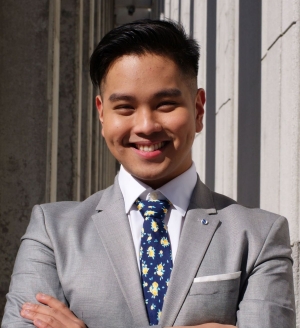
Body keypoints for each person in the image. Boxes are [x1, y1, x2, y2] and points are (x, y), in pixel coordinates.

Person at [2, 19, 295, 328]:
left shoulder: (259, 236)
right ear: (102, 114)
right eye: (125, 108)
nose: (145, 126)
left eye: (165, 104)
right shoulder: (53, 233)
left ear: (198, 109)